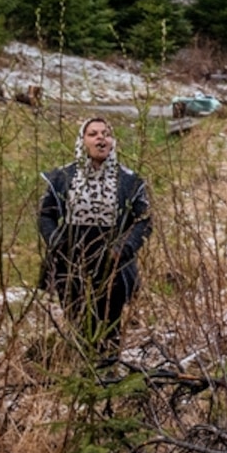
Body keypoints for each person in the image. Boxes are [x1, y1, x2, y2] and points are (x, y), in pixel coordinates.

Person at [36, 115, 151, 353]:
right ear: (82, 141)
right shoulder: (62, 178)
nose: (101, 138)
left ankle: (107, 374)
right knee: (78, 322)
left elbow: (144, 220)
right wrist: (56, 241)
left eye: (106, 134)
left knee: (109, 325)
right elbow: (45, 215)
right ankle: (81, 375)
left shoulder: (129, 181)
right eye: (93, 134)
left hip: (113, 264)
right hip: (71, 261)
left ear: (113, 142)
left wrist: (125, 247)